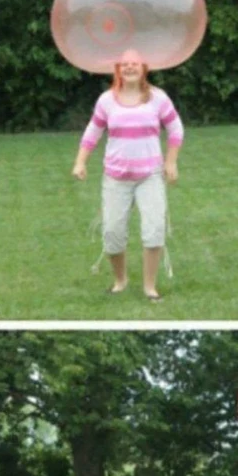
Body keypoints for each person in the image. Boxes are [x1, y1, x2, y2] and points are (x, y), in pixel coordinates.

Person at [73, 49, 183, 302]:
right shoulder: (106, 101)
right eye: (125, 65)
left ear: (144, 69)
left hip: (150, 176)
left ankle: (149, 287)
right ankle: (120, 280)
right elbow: (92, 132)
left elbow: (176, 128)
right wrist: (80, 162)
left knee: (154, 229)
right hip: (116, 178)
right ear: (118, 70)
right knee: (112, 233)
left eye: (135, 64)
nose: (130, 68)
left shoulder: (158, 98)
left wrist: (171, 161)